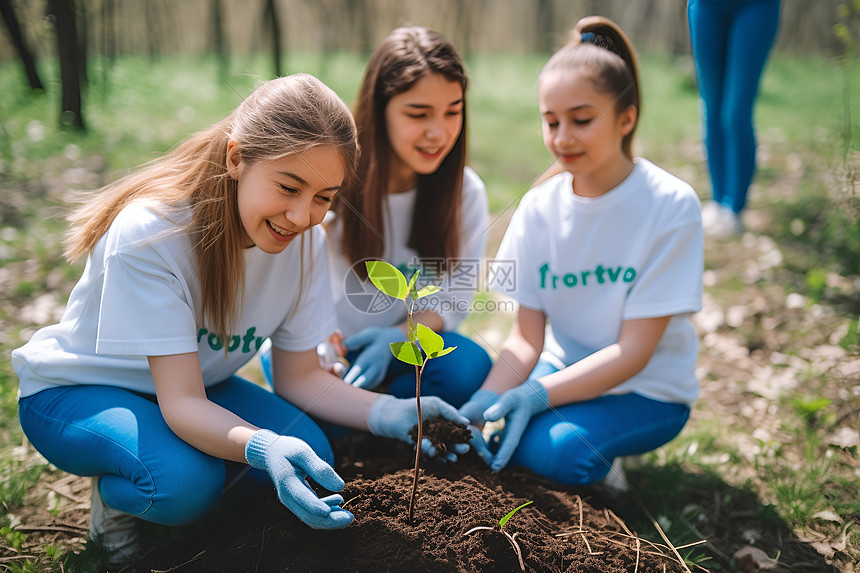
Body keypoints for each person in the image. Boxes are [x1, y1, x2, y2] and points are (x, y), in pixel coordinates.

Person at [12, 73, 469, 566]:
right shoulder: (154, 233)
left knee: (311, 453)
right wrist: (260, 447)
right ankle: (122, 506)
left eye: (324, 197)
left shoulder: (307, 244)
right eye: (288, 187)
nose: (302, 216)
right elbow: (181, 401)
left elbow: (301, 377)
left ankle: (191, 498)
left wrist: (395, 414)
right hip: (81, 393)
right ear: (237, 158)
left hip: (197, 389)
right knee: (184, 482)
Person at [459, 16, 704, 488]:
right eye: (551, 121)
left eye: (582, 119)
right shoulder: (539, 208)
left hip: (646, 389)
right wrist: (483, 405)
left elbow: (634, 353)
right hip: (562, 370)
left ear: (626, 117)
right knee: (503, 445)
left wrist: (535, 395)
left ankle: (602, 452)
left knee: (558, 455)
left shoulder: (670, 205)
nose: (562, 137)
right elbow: (527, 339)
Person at [259, 26, 492, 409]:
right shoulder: (331, 183)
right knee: (317, 405)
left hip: (405, 350)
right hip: (321, 350)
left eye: (453, 112)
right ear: (379, 110)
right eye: (419, 114)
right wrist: (319, 341)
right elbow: (284, 281)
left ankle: (378, 419)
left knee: (467, 367)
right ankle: (361, 417)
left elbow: (453, 299)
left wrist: (398, 338)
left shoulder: (465, 192)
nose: (439, 132)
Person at [688, 0, 781, 237]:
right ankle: (718, 201)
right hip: (706, 7)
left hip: (756, 7)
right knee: (711, 108)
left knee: (735, 113)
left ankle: (735, 209)